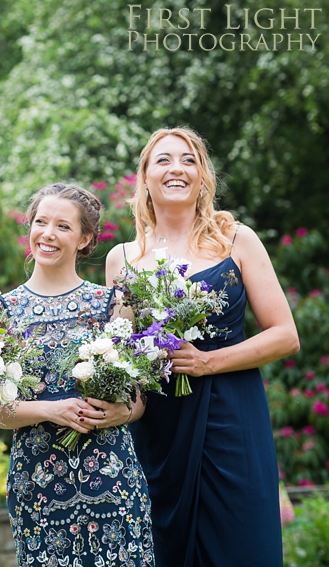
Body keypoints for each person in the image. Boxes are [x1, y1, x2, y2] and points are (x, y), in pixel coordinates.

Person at [105, 127, 300, 567]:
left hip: (229, 416)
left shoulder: (236, 240)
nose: (177, 168)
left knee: (240, 542)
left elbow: (285, 334)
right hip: (157, 426)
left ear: (202, 176)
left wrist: (208, 362)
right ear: (146, 177)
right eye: (164, 160)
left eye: (189, 160)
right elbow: (122, 356)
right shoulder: (122, 257)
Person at [0, 183, 155, 567]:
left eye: (63, 226)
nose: (48, 233)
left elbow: (138, 398)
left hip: (112, 478)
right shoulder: (2, 310)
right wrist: (51, 411)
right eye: (40, 222)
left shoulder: (113, 303)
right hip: (38, 484)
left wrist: (122, 412)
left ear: (85, 239)